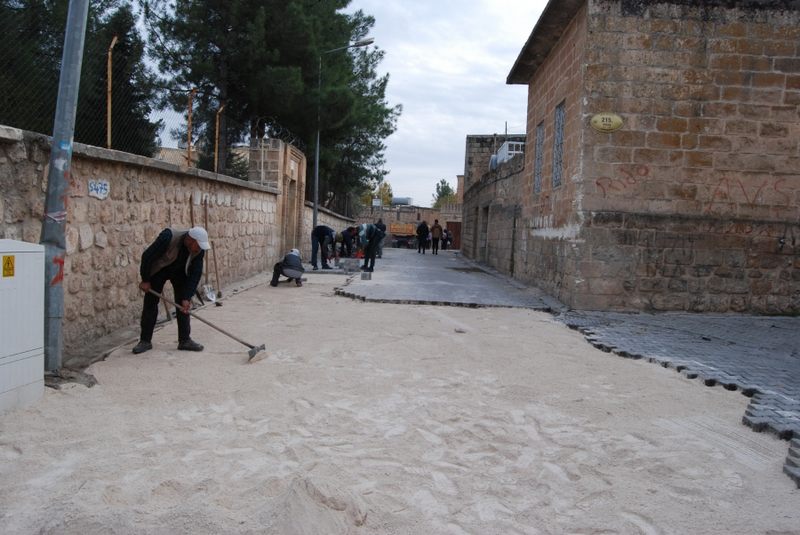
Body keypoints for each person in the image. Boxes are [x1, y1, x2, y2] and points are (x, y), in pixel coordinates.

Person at [132, 226, 210, 354]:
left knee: (183, 306)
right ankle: (145, 341)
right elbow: (147, 256)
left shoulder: (199, 250)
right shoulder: (168, 237)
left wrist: (187, 297)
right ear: (190, 240)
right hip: (159, 270)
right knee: (150, 303)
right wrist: (145, 280)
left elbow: (196, 273)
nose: (200, 248)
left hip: (180, 273)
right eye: (198, 245)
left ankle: (185, 340)